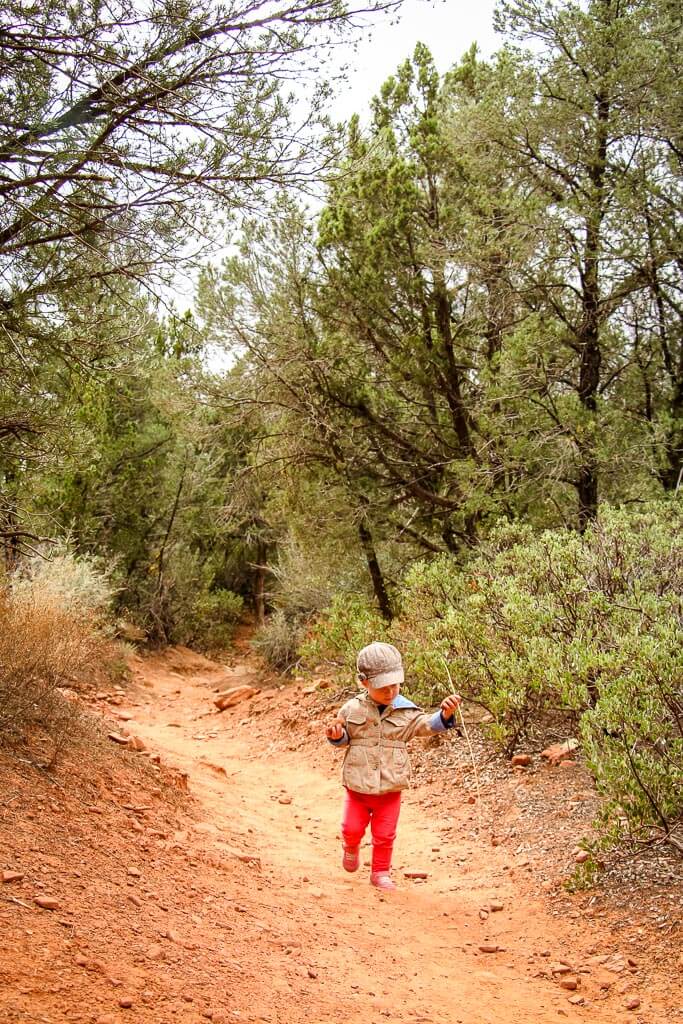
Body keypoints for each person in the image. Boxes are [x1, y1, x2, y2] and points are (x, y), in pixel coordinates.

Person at [326, 641, 461, 892]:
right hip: (357, 786)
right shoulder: (351, 708)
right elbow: (343, 737)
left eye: (395, 685)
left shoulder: (406, 711)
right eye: (382, 687)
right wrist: (336, 736)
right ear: (364, 682)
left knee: (385, 834)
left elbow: (425, 725)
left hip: (390, 787)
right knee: (350, 828)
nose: (390, 692)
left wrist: (444, 716)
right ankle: (351, 846)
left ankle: (380, 872)